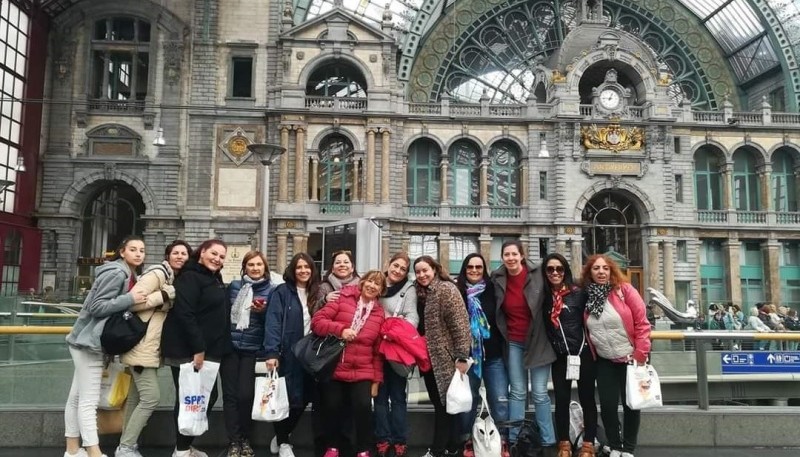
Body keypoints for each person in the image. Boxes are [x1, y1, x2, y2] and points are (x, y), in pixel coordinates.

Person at [64, 236, 147, 457]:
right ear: (122, 252)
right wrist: (129, 298)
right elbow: (96, 306)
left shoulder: (125, 272)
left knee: (76, 398)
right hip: (89, 343)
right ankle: (94, 452)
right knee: (88, 401)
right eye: (133, 249)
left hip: (85, 340)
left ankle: (73, 450)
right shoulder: (117, 273)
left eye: (142, 250)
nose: (138, 253)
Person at [116, 240, 192, 457]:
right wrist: (165, 296)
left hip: (147, 347)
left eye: (184, 253)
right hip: (141, 346)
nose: (179, 256)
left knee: (136, 398)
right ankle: (126, 447)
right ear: (167, 256)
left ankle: (127, 444)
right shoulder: (157, 274)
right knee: (151, 398)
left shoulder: (172, 278)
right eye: (175, 253)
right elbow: (131, 302)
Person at [161, 239, 232, 457]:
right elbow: (185, 314)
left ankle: (182, 446)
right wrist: (199, 348)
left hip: (205, 349)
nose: (217, 259)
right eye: (214, 253)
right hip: (189, 350)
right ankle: (181, 450)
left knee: (201, 397)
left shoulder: (212, 277)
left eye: (221, 256)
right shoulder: (191, 277)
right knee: (189, 398)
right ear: (201, 252)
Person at [312, 270, 387, 457]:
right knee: (332, 406)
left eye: (377, 284)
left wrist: (376, 381)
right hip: (335, 365)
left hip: (363, 369)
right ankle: (332, 447)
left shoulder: (379, 313)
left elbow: (377, 351)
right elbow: (317, 322)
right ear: (362, 283)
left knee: (363, 408)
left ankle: (363, 449)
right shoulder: (343, 298)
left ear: (381, 290)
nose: (372, 286)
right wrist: (341, 330)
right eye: (369, 281)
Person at [581, 254, 650, 457]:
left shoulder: (625, 291)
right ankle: (615, 445)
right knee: (608, 406)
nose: (601, 272)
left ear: (611, 271)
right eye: (596, 268)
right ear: (589, 273)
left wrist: (640, 353)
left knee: (631, 405)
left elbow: (642, 323)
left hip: (630, 359)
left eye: (605, 268)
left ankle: (627, 448)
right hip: (604, 360)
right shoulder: (587, 295)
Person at [491, 241, 556, 451]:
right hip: (514, 341)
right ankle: (514, 438)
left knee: (539, 393)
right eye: (506, 254)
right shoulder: (497, 278)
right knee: (517, 392)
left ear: (521, 256)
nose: (510, 258)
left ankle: (547, 440)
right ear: (502, 258)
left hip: (538, 341)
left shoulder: (538, 274)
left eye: (513, 254)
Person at [264, 253, 322, 457]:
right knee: (286, 398)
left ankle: (282, 434)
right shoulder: (282, 292)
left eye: (307, 267)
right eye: (299, 267)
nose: (303, 271)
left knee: (305, 397)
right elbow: (273, 322)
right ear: (292, 270)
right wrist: (271, 352)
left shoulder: (318, 291)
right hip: (288, 353)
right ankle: (284, 442)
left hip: (312, 354)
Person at [414, 256, 471, 457]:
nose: (422, 275)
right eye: (418, 271)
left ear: (435, 269)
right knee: (442, 403)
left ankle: (437, 450)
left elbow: (460, 325)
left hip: (445, 358)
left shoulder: (446, 289)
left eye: (425, 270)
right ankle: (451, 445)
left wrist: (462, 357)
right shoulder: (419, 292)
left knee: (443, 405)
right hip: (427, 358)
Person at [541, 253, 596, 457]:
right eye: (550, 269)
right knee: (561, 399)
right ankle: (564, 442)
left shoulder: (579, 293)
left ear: (566, 271)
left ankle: (588, 443)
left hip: (583, 353)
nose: (555, 273)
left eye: (559, 269)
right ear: (545, 273)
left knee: (587, 398)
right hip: (560, 356)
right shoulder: (544, 297)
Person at [222, 251, 276, 457]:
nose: (255, 268)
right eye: (250, 265)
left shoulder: (272, 291)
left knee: (245, 395)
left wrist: (262, 313)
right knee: (230, 396)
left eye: (259, 265)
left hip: (252, 350)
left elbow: (272, 324)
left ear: (265, 268)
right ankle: (234, 442)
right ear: (244, 267)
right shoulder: (234, 287)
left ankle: (245, 438)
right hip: (229, 347)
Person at [454, 253, 509, 443]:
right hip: (467, 358)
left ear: (484, 269)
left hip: (494, 356)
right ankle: (467, 440)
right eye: (470, 267)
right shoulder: (457, 291)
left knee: (500, 399)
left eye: (478, 267)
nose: (474, 270)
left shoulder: (493, 289)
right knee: (468, 401)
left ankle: (502, 440)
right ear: (464, 269)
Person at [375, 252, 419, 457]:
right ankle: (382, 439)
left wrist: (394, 326)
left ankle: (400, 440)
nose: (398, 271)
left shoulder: (408, 289)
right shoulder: (376, 281)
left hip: (394, 348)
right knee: (379, 397)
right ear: (388, 264)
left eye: (403, 269)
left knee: (398, 396)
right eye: (396, 266)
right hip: (374, 349)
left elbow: (413, 318)